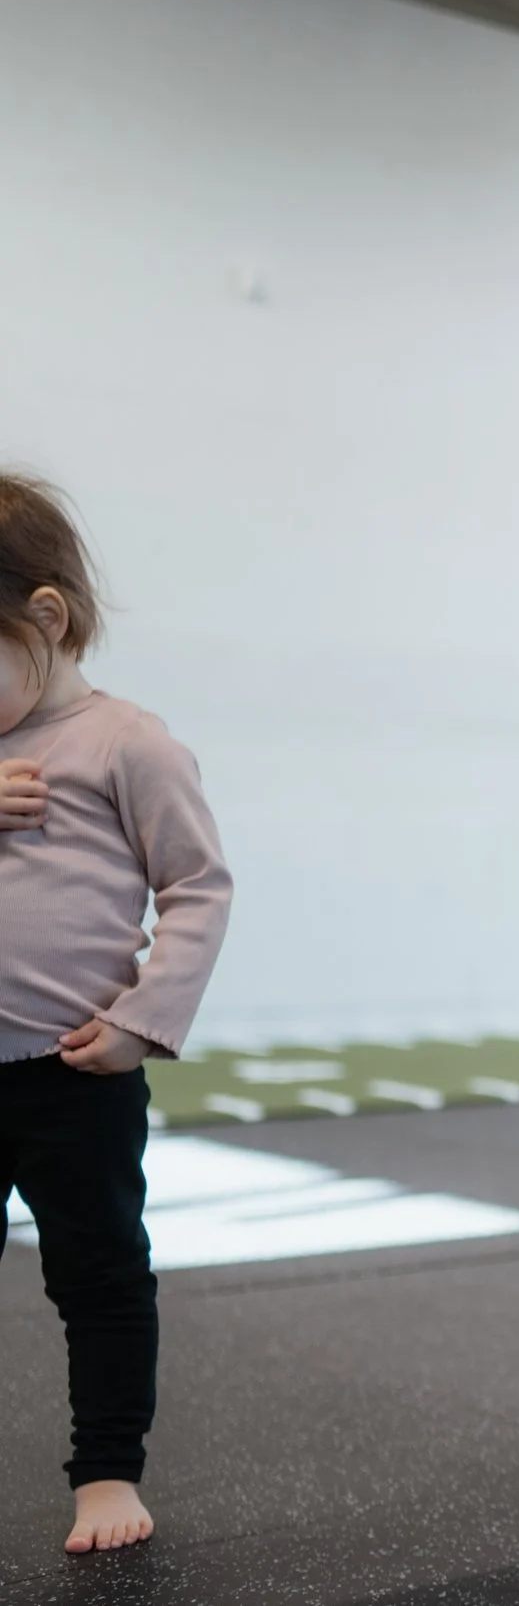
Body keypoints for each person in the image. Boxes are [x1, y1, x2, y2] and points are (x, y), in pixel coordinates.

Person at [0, 473, 233, 1555]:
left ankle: (104, 1467)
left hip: (73, 1070)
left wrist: (147, 1017)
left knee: (96, 1271)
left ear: (44, 620)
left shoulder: (125, 744)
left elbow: (198, 885)